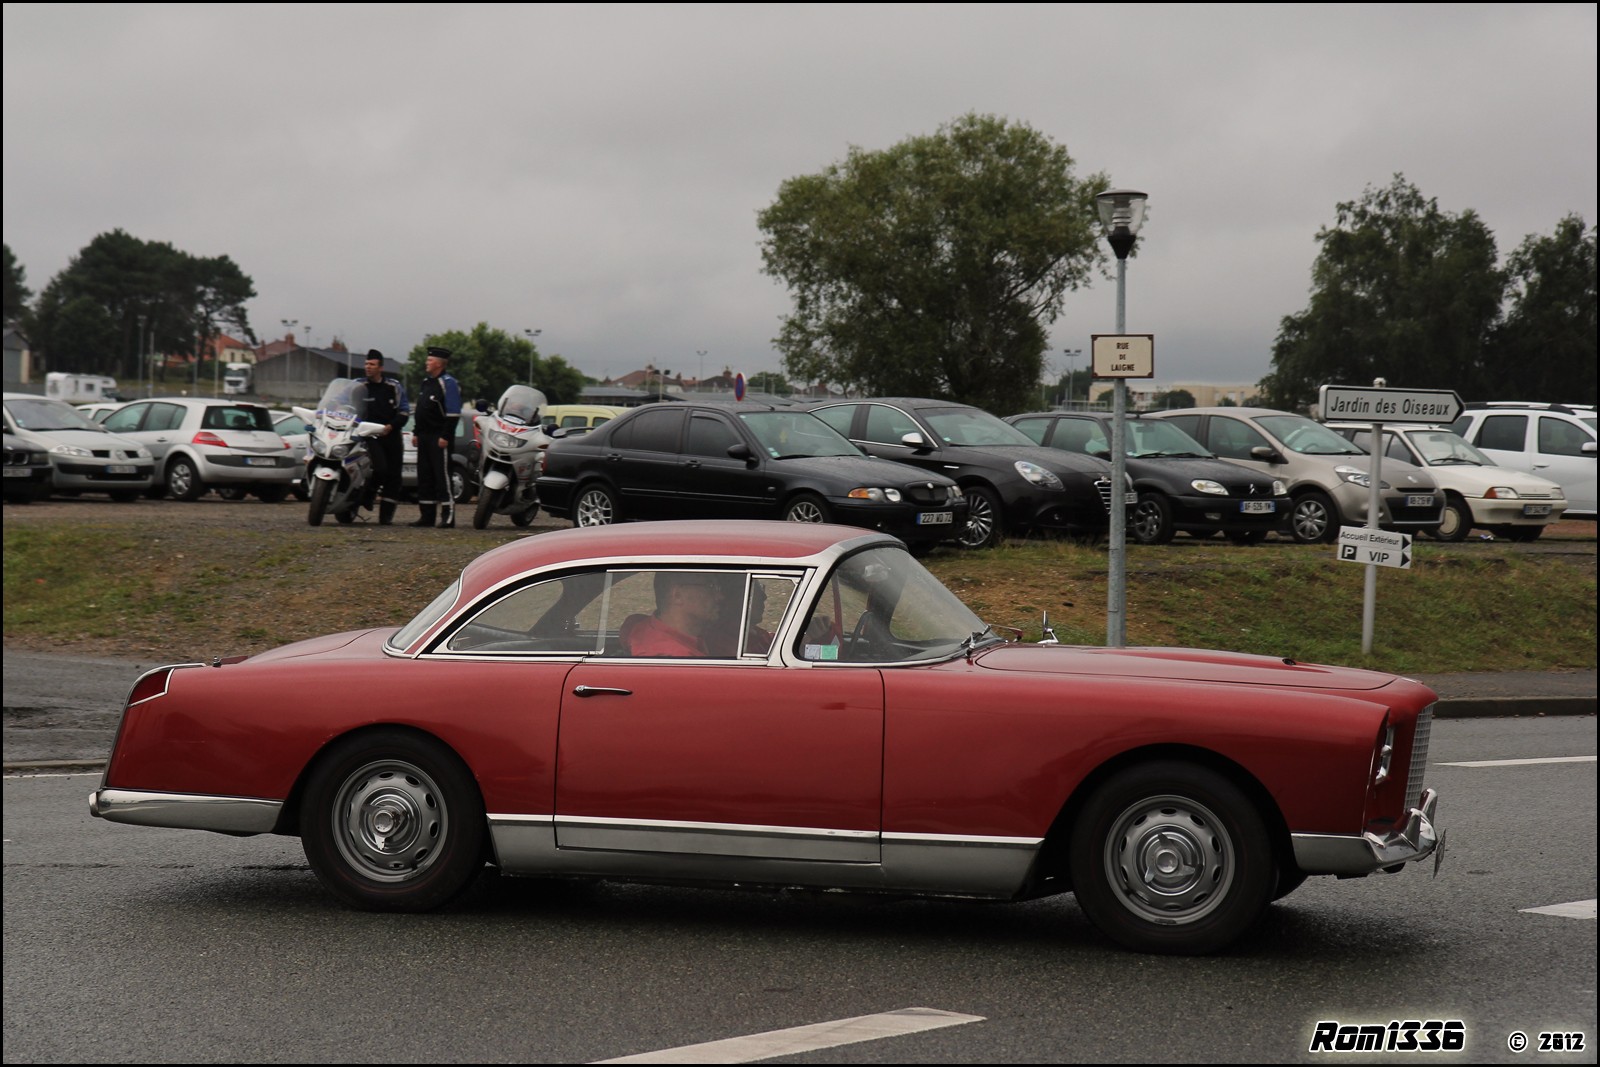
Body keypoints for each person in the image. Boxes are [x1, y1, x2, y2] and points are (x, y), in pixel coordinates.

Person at [411, 345, 461, 528]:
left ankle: (448, 516)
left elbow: (453, 413)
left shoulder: (448, 383)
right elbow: (420, 410)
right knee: (425, 476)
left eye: (430, 360)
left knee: (442, 477)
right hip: (424, 436)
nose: (427, 362)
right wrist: (416, 432)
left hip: (439, 436)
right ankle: (427, 515)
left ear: (439, 364)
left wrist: (445, 435)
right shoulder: (426, 383)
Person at [357, 349, 409, 525]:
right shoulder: (358, 386)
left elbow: (404, 411)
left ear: (380, 368)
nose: (368, 367)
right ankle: (368, 495)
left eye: (372, 364)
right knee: (380, 469)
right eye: (366, 364)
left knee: (393, 477)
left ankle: (386, 517)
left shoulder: (393, 386)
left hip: (390, 435)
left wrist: (391, 426)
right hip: (367, 435)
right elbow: (343, 403)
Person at [619, 571, 725, 656]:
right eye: (711, 586)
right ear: (677, 595)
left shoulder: (638, 627)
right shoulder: (679, 661)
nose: (720, 597)